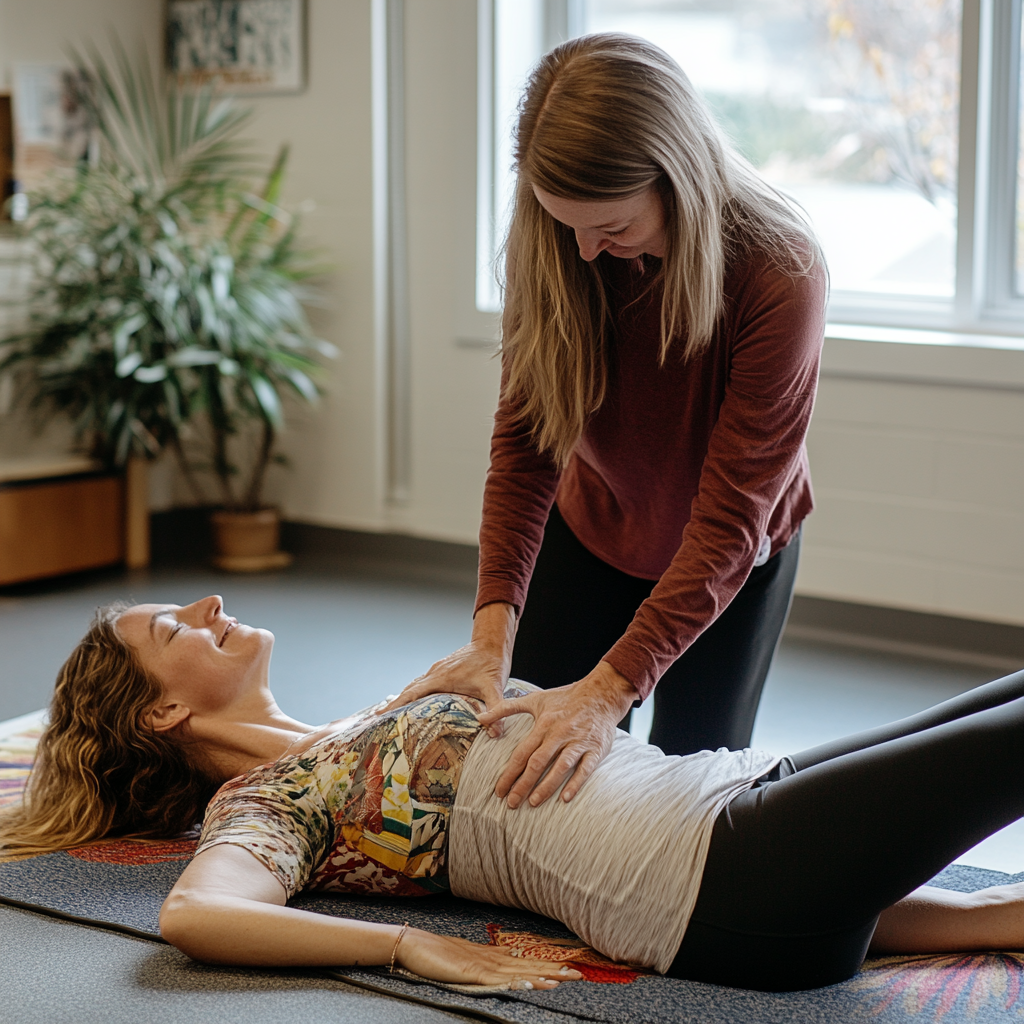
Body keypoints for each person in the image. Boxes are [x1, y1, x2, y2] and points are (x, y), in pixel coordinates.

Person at [2, 595, 1023, 993]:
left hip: (736, 803)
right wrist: (403, 945)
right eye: (172, 628)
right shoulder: (269, 800)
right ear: (163, 713)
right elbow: (197, 913)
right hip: (717, 874)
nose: (207, 604)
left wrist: (979, 916)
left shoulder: (355, 724)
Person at [394, 33, 827, 812]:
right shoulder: (559, 244)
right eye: (567, 225)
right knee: (530, 772)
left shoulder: (779, 270)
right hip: (592, 530)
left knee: (688, 797)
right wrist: (489, 641)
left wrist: (606, 693)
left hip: (729, 556)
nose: (587, 252)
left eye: (614, 228)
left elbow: (729, 521)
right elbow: (525, 448)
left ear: (679, 179)